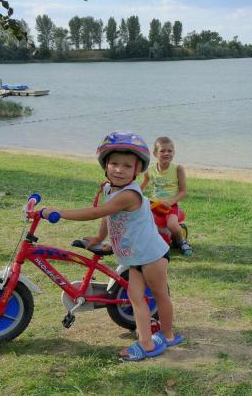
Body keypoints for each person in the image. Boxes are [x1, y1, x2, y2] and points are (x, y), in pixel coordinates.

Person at [39, 131, 183, 361]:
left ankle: (165, 336)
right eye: (114, 163)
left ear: (137, 170)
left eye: (127, 166)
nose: (119, 169)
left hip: (152, 255)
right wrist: (99, 237)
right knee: (136, 298)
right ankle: (148, 341)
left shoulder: (130, 195)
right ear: (105, 165)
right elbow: (108, 216)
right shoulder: (109, 188)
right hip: (135, 257)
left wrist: (59, 213)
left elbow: (97, 212)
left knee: (159, 295)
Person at [140, 136, 193, 256]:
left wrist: (171, 201)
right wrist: (134, 196)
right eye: (162, 151)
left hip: (170, 206)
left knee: (172, 224)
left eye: (169, 151)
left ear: (174, 152)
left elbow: (183, 191)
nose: (166, 153)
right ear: (155, 153)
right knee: (143, 222)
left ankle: (182, 241)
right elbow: (141, 188)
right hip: (154, 204)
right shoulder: (150, 171)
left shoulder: (177, 169)